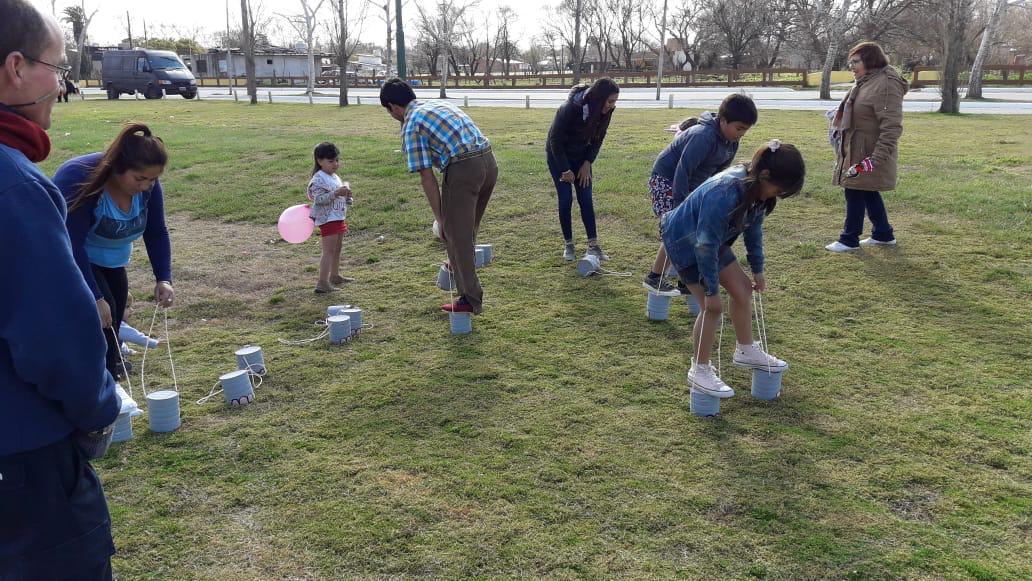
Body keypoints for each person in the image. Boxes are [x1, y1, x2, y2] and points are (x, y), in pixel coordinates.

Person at [0, 1, 120, 578]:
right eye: (59, 68)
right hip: (24, 464)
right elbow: (57, 338)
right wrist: (98, 408)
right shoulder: (14, 186)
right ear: (16, 68)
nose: (64, 85)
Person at [661, 140, 805, 399]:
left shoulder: (755, 191)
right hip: (684, 240)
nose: (776, 196)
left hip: (710, 238)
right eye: (778, 190)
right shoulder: (725, 192)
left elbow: (753, 230)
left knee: (742, 290)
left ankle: (746, 349)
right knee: (712, 306)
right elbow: (704, 245)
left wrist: (758, 269)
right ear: (764, 175)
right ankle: (699, 369)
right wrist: (711, 289)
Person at [54, 122, 174, 381]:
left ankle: (109, 377)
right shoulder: (83, 179)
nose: (146, 186)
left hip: (112, 261)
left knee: (114, 319)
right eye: (140, 178)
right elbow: (70, 244)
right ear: (118, 168)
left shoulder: (148, 188)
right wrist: (95, 297)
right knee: (100, 323)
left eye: (152, 179)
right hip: (73, 258)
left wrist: (163, 278)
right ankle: (101, 387)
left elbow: (156, 232)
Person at [379, 78, 497, 315]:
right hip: (489, 162)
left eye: (389, 111)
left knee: (454, 232)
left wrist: (441, 219)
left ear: (393, 107)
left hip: (463, 167)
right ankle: (457, 265)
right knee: (466, 228)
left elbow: (427, 178)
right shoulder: (439, 105)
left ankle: (470, 300)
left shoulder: (411, 124)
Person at [644, 94, 757, 292]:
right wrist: (680, 206)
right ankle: (655, 277)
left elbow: (717, 177)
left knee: (693, 230)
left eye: (745, 130)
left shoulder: (731, 142)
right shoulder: (703, 136)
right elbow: (682, 170)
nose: (741, 134)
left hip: (693, 187)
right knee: (677, 229)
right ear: (723, 120)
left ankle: (686, 281)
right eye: (739, 128)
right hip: (668, 181)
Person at [825, 41, 908, 252]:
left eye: (855, 62)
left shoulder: (886, 84)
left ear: (870, 61)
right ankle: (883, 234)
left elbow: (891, 127)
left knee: (854, 190)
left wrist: (875, 159)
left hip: (869, 153)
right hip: (856, 147)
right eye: (850, 62)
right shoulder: (866, 80)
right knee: (867, 190)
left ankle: (849, 239)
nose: (851, 66)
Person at [546, 78, 619, 261]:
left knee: (586, 198)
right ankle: (569, 244)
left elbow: (599, 138)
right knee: (565, 199)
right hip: (559, 157)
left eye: (615, 101)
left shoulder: (605, 111)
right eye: (610, 101)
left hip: (581, 158)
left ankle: (593, 246)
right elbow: (555, 140)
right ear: (599, 98)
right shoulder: (569, 108)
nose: (612, 106)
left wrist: (587, 162)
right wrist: (565, 170)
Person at [307, 141, 354, 293]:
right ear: (320, 161)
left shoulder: (334, 177)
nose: (335, 164)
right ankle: (322, 282)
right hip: (328, 219)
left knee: (337, 248)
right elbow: (318, 199)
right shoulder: (318, 179)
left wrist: (347, 197)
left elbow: (338, 195)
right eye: (331, 161)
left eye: (337, 160)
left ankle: (334, 275)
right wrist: (336, 193)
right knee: (329, 250)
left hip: (338, 216)